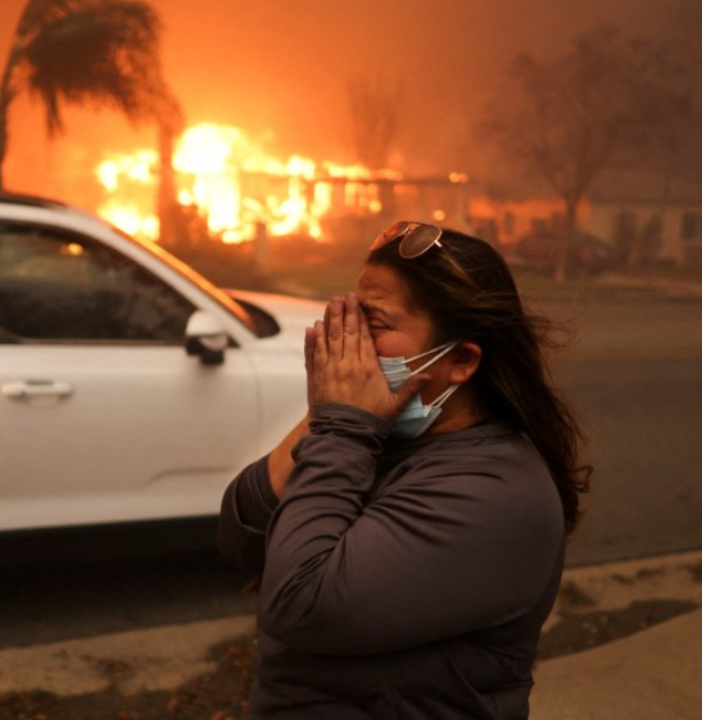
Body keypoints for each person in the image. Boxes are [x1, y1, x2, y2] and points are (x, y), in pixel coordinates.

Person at [218, 221, 590, 719]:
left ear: (460, 359)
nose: (350, 345)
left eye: (374, 326)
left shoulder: (497, 493)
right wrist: (326, 414)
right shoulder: (374, 435)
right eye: (348, 318)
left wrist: (341, 426)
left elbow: (299, 604)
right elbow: (242, 530)